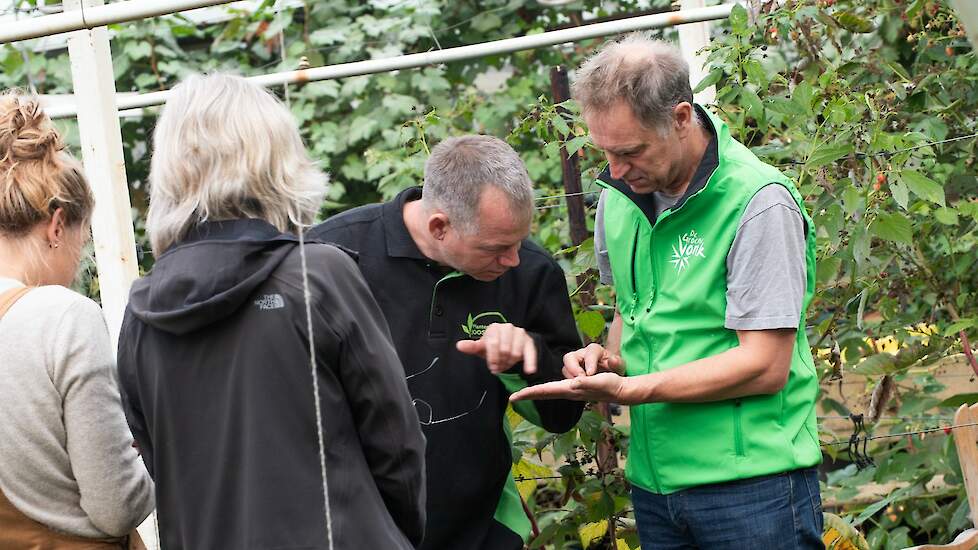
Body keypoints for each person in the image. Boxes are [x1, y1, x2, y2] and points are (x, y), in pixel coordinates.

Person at [510, 35, 823, 548]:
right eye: (605, 151)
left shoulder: (759, 203)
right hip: (657, 487)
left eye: (630, 151)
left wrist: (633, 390)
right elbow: (631, 316)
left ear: (680, 118)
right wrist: (607, 362)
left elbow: (766, 365)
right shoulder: (623, 197)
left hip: (753, 490)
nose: (614, 171)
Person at [116, 73, 426, 550]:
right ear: (276, 158)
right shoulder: (317, 275)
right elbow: (395, 441)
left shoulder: (141, 311)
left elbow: (159, 465)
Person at [309, 134, 584, 550]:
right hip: (357, 528)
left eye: (518, 243)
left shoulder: (530, 272)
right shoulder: (331, 257)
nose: (512, 260)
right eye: (495, 249)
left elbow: (563, 416)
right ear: (439, 226)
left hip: (482, 528)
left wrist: (525, 359)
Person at [0, 92, 153, 548]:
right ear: (56, 225)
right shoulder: (64, 318)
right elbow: (116, 507)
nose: (77, 263)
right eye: (80, 244)